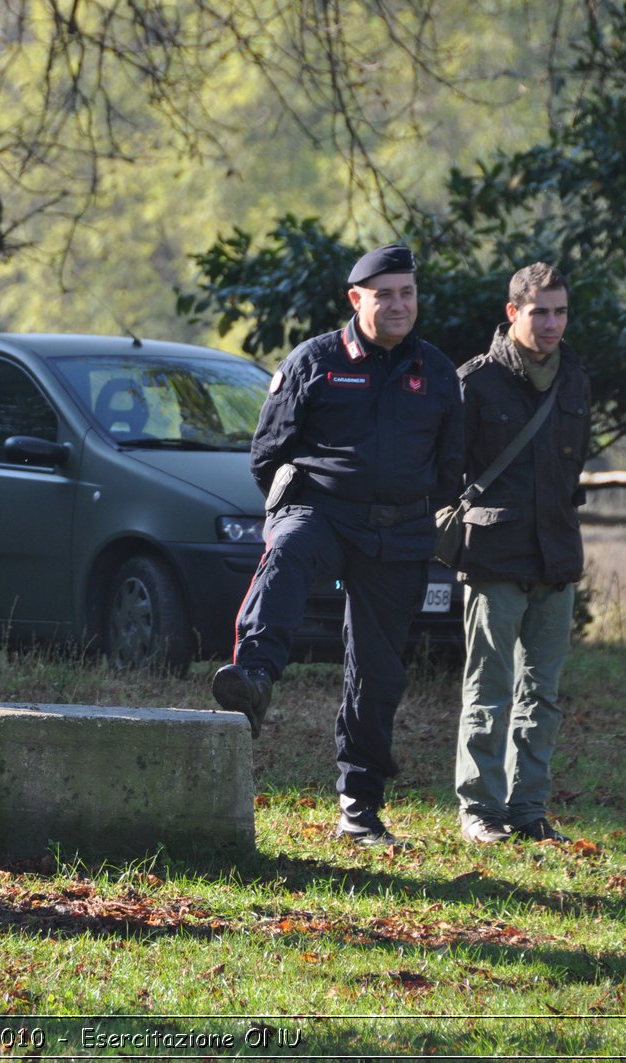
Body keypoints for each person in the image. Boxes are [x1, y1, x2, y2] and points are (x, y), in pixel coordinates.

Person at [212, 244, 463, 847]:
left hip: (399, 531)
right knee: (290, 549)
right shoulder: (315, 361)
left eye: (407, 293)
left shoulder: (438, 372)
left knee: (377, 674)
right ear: (357, 300)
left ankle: (360, 806)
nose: (399, 305)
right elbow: (267, 453)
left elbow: (451, 467)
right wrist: (293, 505)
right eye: (385, 296)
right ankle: (254, 678)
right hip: (322, 511)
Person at [452, 263, 590, 844]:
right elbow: (447, 474)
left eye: (560, 311)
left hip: (556, 557)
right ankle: (480, 809)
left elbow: (572, 468)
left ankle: (529, 811)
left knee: (544, 696)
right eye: (540, 312)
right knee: (489, 689)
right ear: (514, 313)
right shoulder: (475, 382)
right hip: (493, 557)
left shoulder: (577, 378)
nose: (553, 323)